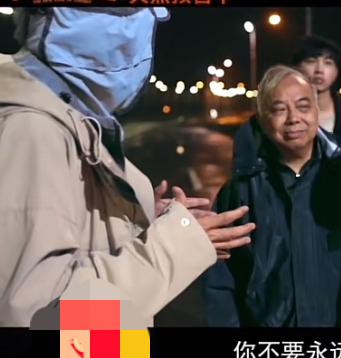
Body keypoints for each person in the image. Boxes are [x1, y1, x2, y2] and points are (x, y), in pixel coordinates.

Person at [0, 7, 254, 327]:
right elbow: (39, 316)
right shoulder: (32, 130)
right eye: (128, 11)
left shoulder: (69, 119)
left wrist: (134, 221)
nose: (144, 24)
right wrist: (176, 244)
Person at [227, 36, 341, 326]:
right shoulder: (247, 174)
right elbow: (226, 278)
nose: (319, 69)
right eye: (311, 61)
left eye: (327, 62)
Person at [203, 65, 341, 327]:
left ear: (317, 112)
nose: (293, 118)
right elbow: (220, 282)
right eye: (279, 110)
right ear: (263, 120)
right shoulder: (240, 190)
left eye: (303, 106)